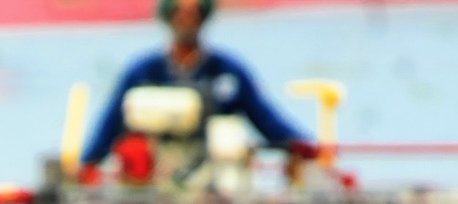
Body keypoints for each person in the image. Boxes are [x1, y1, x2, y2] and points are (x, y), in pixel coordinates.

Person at [81, 0, 310, 168]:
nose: (187, 19)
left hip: (214, 178)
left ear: (204, 17)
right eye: (180, 12)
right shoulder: (143, 72)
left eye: (194, 13)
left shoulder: (227, 71)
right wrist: (86, 165)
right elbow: (109, 126)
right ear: (168, 16)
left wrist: (307, 149)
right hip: (156, 178)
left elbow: (267, 120)